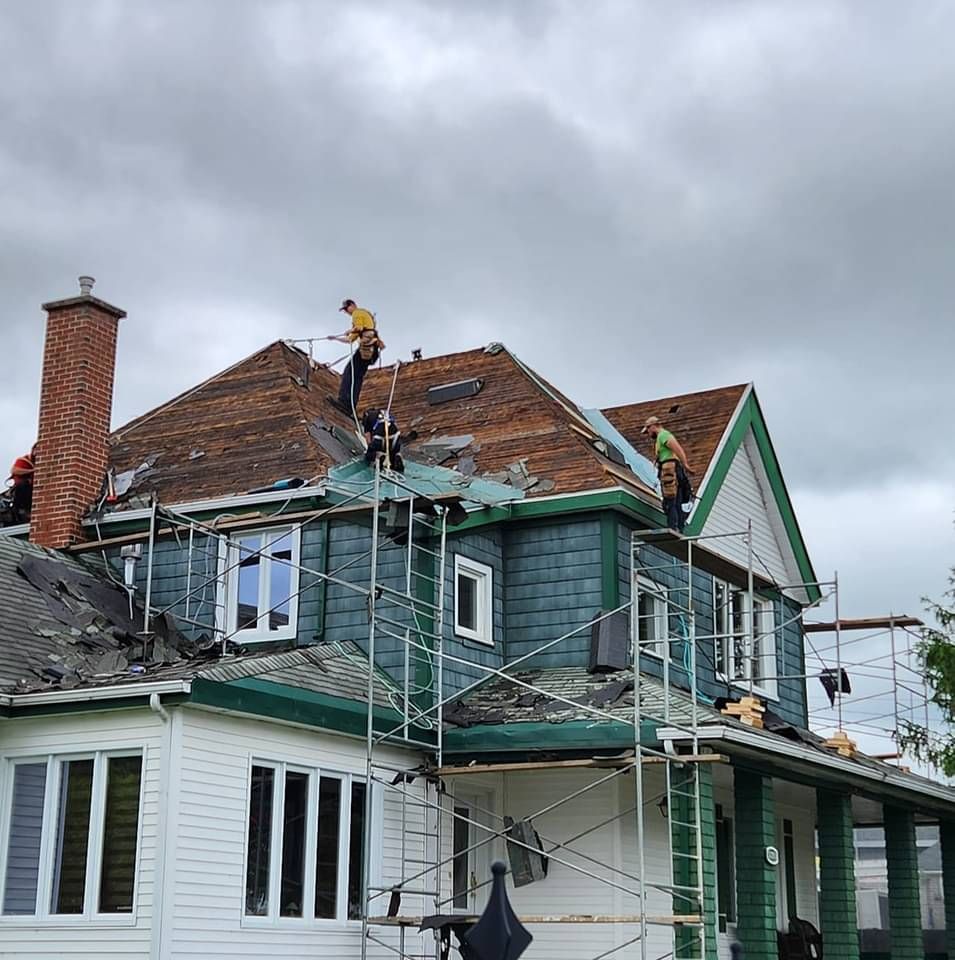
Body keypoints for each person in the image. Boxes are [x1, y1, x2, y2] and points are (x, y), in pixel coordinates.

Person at [641, 417, 693, 531]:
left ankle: (673, 527)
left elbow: (678, 449)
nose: (648, 434)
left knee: (670, 500)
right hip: (673, 470)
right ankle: (679, 527)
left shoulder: (663, 435)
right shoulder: (661, 437)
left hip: (670, 470)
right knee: (676, 500)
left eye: (648, 430)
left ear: (653, 426)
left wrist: (686, 465)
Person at [335, 299, 385, 413]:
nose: (346, 312)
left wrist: (349, 330)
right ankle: (350, 406)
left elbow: (359, 328)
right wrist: (336, 338)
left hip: (367, 348)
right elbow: (351, 339)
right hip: (371, 350)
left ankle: (344, 402)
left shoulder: (357, 313)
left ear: (352, 305)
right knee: (357, 377)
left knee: (349, 372)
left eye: (346, 309)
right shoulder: (364, 315)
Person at [362, 408, 404, 472]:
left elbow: (368, 436)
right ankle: (397, 455)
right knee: (392, 452)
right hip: (395, 436)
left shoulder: (367, 416)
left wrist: (370, 448)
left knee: (369, 455)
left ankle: (379, 456)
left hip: (380, 437)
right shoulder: (385, 413)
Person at [8, 444, 37, 522]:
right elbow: (14, 470)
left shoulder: (37, 463)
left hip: (34, 491)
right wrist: (32, 471)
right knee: (24, 486)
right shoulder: (23, 460)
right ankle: (25, 511)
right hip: (22, 491)